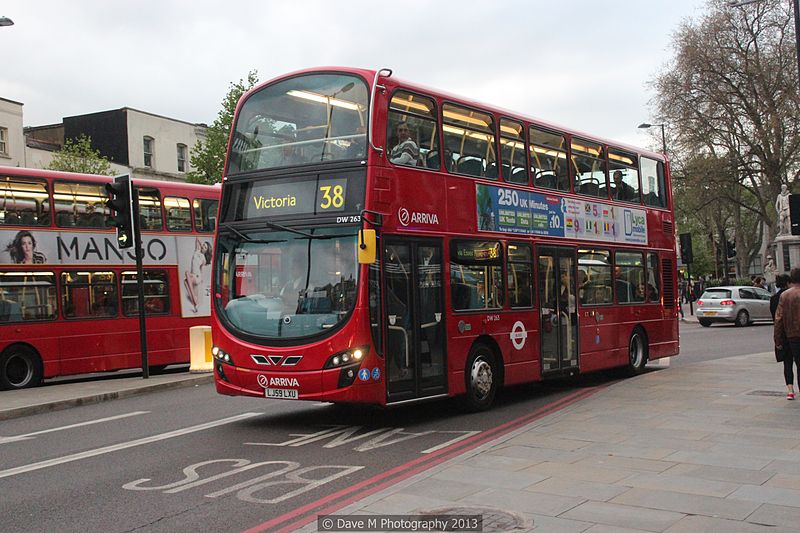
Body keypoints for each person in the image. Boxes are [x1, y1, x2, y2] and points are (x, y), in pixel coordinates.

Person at [774, 268, 800, 400]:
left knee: (793, 363)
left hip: (792, 335)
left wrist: (777, 339)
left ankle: (791, 390)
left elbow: (778, 319)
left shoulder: (785, 295)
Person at [184, 237, 212, 313]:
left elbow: (201, 269)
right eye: (203, 245)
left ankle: (194, 298)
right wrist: (201, 244)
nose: (203, 247)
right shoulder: (196, 250)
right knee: (185, 282)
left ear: (207, 251)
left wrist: (201, 279)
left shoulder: (204, 259)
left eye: (205, 247)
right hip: (193, 275)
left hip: (197, 276)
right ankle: (195, 304)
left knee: (186, 273)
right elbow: (197, 238)